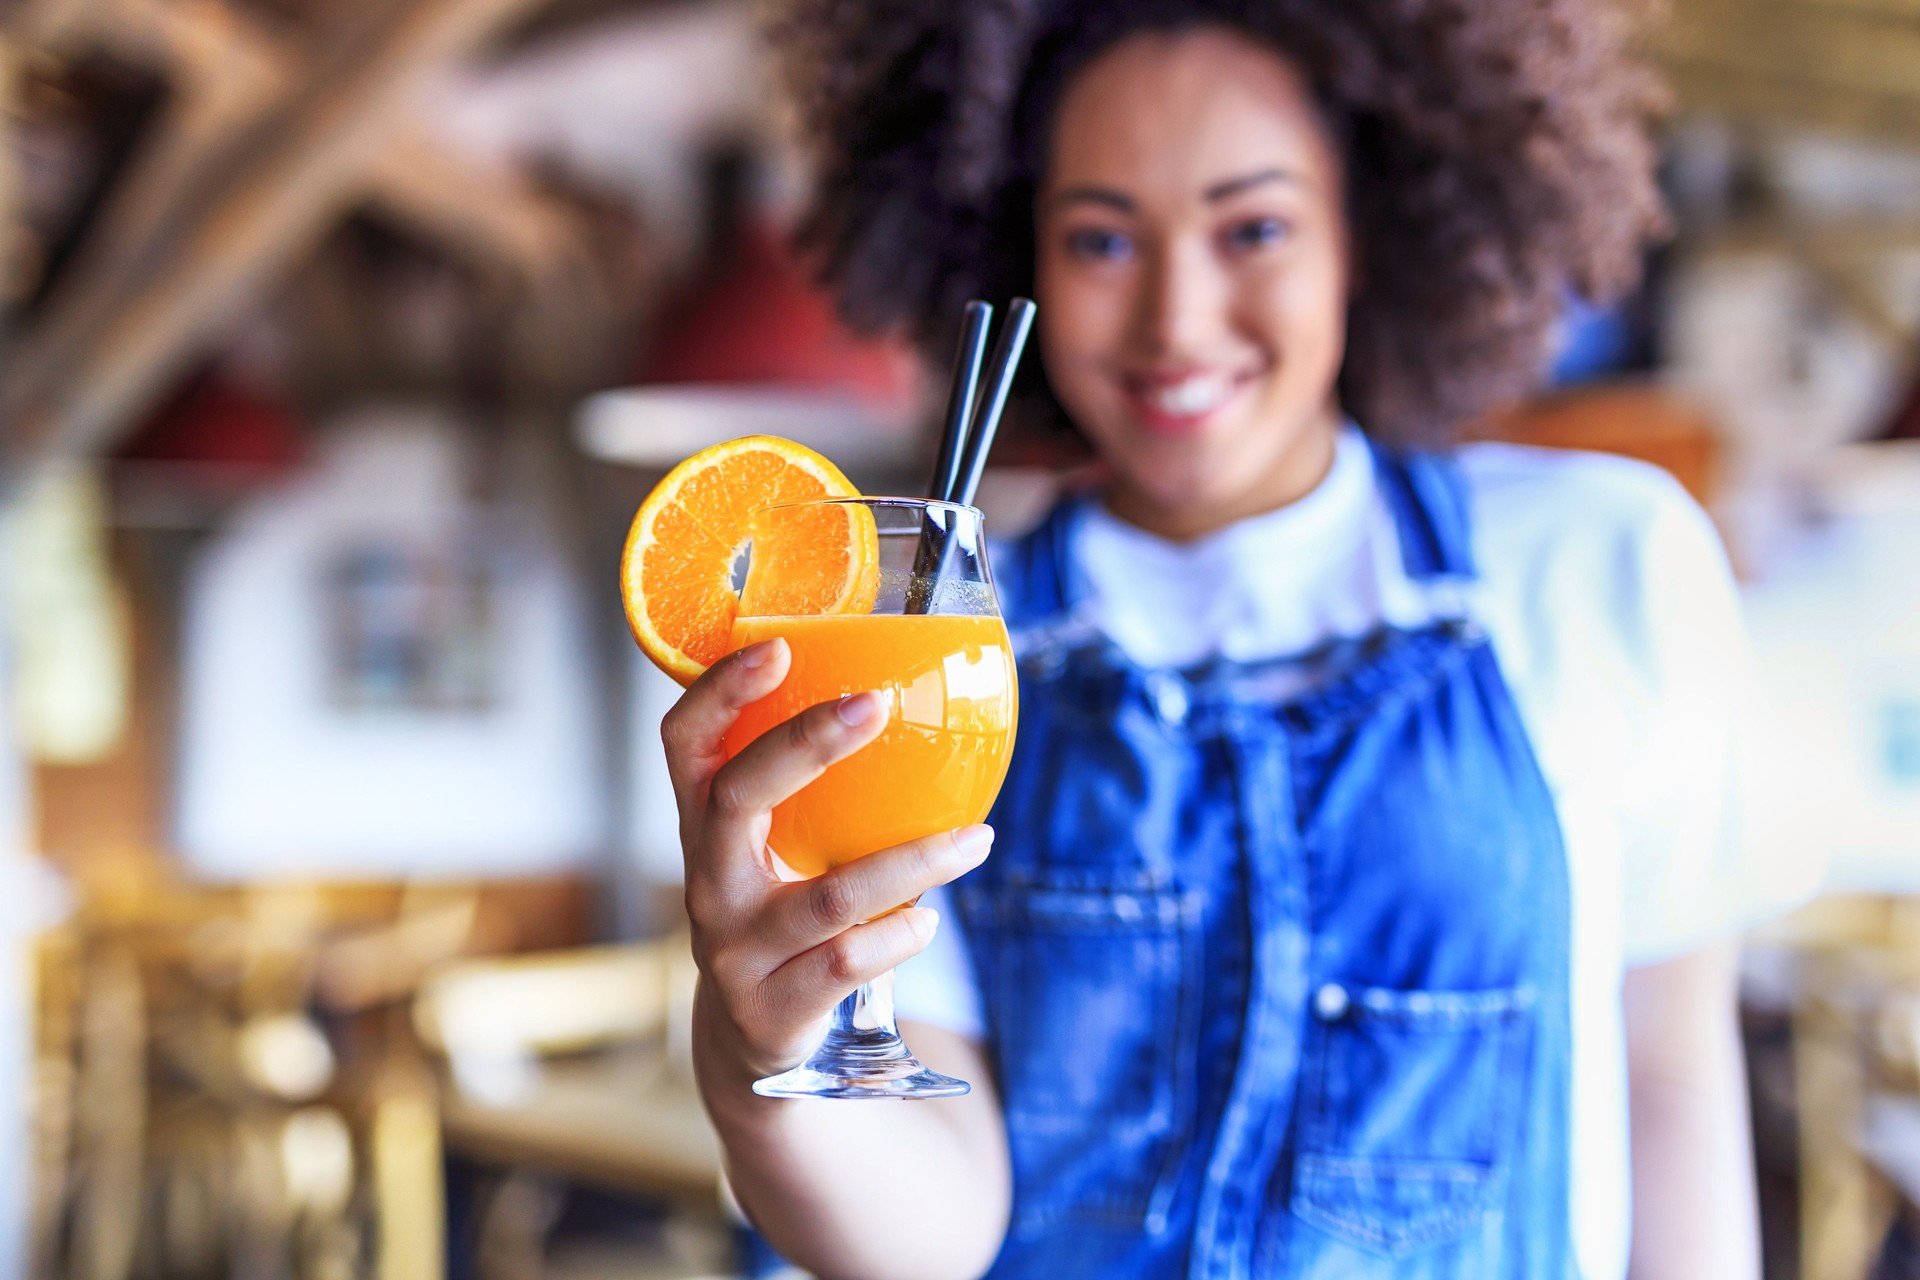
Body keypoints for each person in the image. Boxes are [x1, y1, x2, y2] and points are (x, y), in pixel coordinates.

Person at [660, 2, 1804, 1275]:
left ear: (1363, 234)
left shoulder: (1605, 564)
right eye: (1101, 238)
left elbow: (1673, 1088)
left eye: (1253, 226)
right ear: (1018, 249)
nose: (1176, 319)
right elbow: (927, 1231)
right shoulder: (937, 664)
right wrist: (763, 1055)